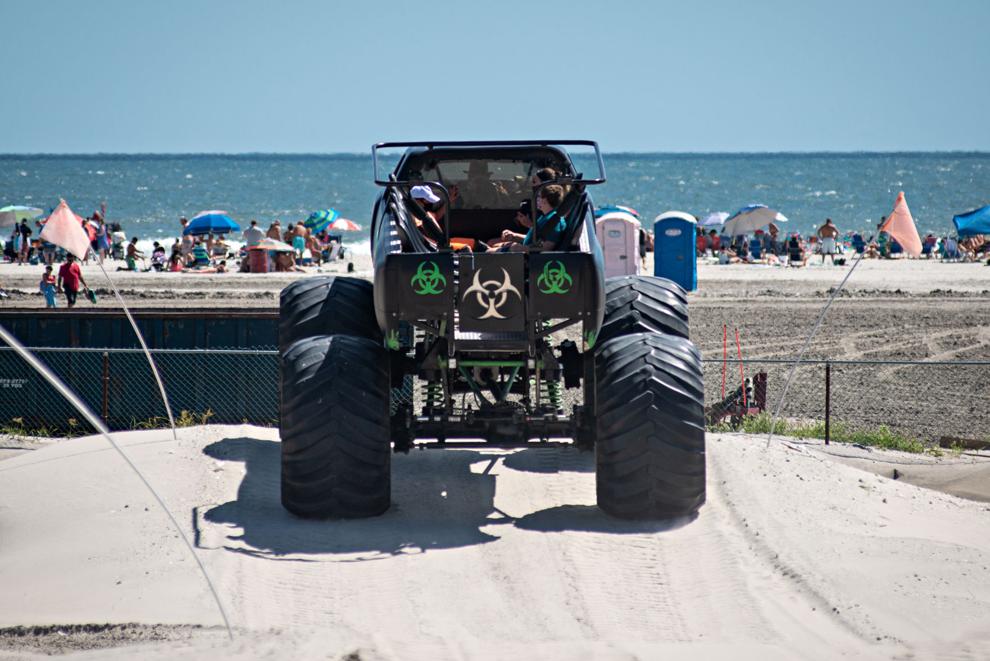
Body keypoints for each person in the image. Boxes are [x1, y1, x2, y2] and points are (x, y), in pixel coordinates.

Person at [512, 184, 566, 252]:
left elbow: (546, 248)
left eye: (539, 196)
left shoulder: (554, 222)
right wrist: (514, 236)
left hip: (528, 256)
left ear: (545, 200)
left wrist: (522, 248)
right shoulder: (546, 216)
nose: (536, 199)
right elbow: (536, 239)